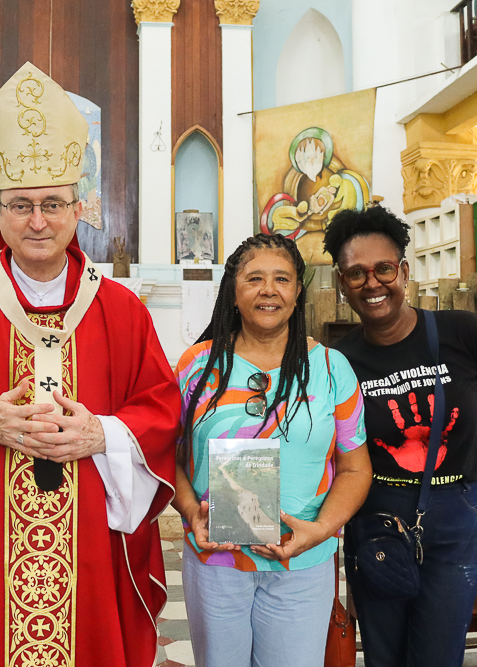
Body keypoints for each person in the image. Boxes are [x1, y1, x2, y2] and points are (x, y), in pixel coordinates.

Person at [0, 62, 179, 667]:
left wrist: (102, 434)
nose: (38, 221)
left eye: (53, 203)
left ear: (78, 209)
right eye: (22, 205)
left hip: (92, 538)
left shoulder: (120, 310)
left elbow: (161, 408)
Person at [322, 205, 477, 667]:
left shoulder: (463, 333)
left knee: (438, 653)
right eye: (357, 273)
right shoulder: (338, 362)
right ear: (343, 284)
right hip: (376, 516)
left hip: (452, 514)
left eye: (384, 269)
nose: (372, 283)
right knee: (384, 654)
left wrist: (463, 459)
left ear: (404, 272)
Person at [172, 233, 371, 667]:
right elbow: (170, 458)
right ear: (233, 291)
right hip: (217, 560)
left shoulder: (331, 368)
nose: (269, 290)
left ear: (298, 292)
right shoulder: (196, 366)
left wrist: (319, 530)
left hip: (303, 563)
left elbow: (356, 469)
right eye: (254, 278)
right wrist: (190, 510)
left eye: (282, 279)